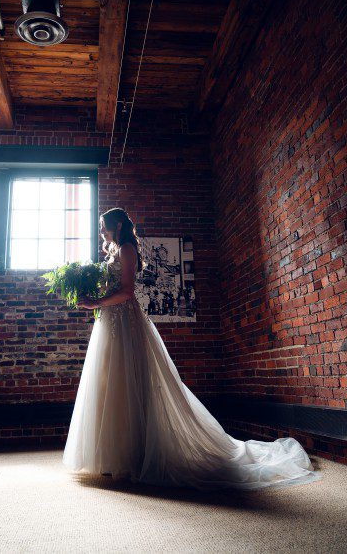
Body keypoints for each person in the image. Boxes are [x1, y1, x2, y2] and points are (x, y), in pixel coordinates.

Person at [63, 206, 318, 490]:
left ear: (118, 225)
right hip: (110, 323)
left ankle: (134, 455)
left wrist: (96, 303)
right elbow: (113, 291)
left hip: (124, 323)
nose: (101, 231)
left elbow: (125, 292)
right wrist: (92, 297)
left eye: (103, 226)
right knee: (110, 383)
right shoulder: (113, 252)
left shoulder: (126, 250)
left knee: (129, 383)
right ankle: (113, 456)